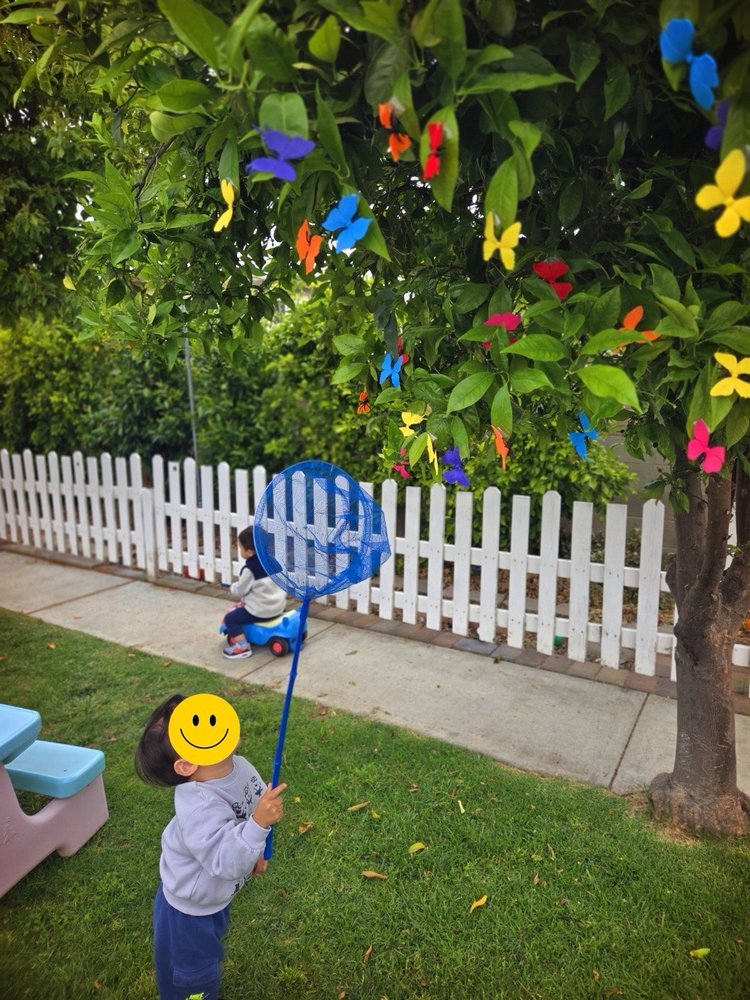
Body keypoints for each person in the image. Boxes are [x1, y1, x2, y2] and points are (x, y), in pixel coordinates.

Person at [134, 693, 286, 1000]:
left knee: (208, 953)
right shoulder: (199, 807)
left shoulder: (238, 766)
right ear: (186, 764)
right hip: (188, 913)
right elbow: (225, 860)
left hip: (214, 896)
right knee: (193, 976)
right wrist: (259, 823)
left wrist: (255, 850)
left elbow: (248, 813)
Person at [222, 526, 287, 659]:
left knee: (230, 619)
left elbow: (240, 591)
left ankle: (242, 647)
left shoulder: (250, 570)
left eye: (240, 547)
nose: (240, 550)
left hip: (260, 611)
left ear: (250, 552)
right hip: (279, 607)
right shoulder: (274, 561)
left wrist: (232, 587)